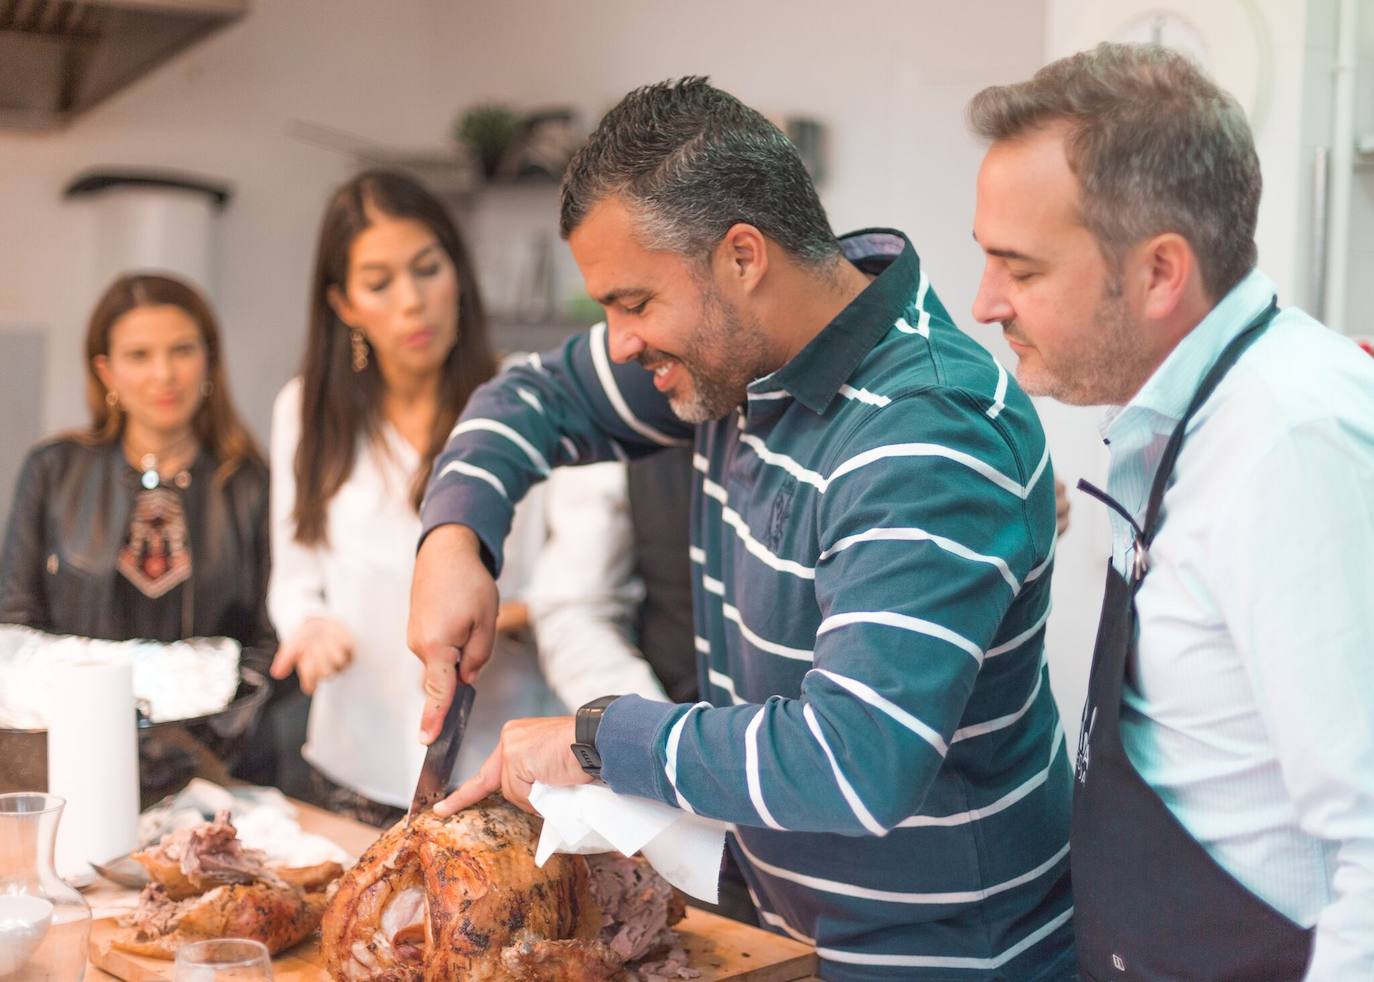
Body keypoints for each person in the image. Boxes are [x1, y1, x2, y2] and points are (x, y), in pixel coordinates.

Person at [409, 78, 1075, 979]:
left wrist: (597, 738)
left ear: (742, 258)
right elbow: (530, 395)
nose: (620, 343)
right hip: (790, 938)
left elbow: (854, 761)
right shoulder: (741, 361)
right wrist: (456, 540)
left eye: (634, 302)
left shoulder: (927, 427)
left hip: (943, 959)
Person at [968, 43, 1374, 980]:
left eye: (1019, 270)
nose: (985, 302)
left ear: (1159, 272)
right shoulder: (1176, 418)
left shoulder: (1292, 446)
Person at [267, 170, 561, 826]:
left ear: (458, 273)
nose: (413, 301)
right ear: (343, 303)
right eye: (379, 283)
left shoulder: (527, 398)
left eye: (428, 269)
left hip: (500, 768)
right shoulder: (306, 411)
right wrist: (309, 629)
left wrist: (513, 614)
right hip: (355, 761)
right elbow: (295, 582)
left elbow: (579, 586)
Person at [0, 272, 276, 780]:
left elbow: (266, 636)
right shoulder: (54, 469)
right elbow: (16, 622)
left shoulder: (252, 484)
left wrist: (206, 731)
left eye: (182, 350)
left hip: (216, 764)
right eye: (139, 355)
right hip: (71, 757)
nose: (164, 374)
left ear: (209, 359)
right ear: (106, 370)